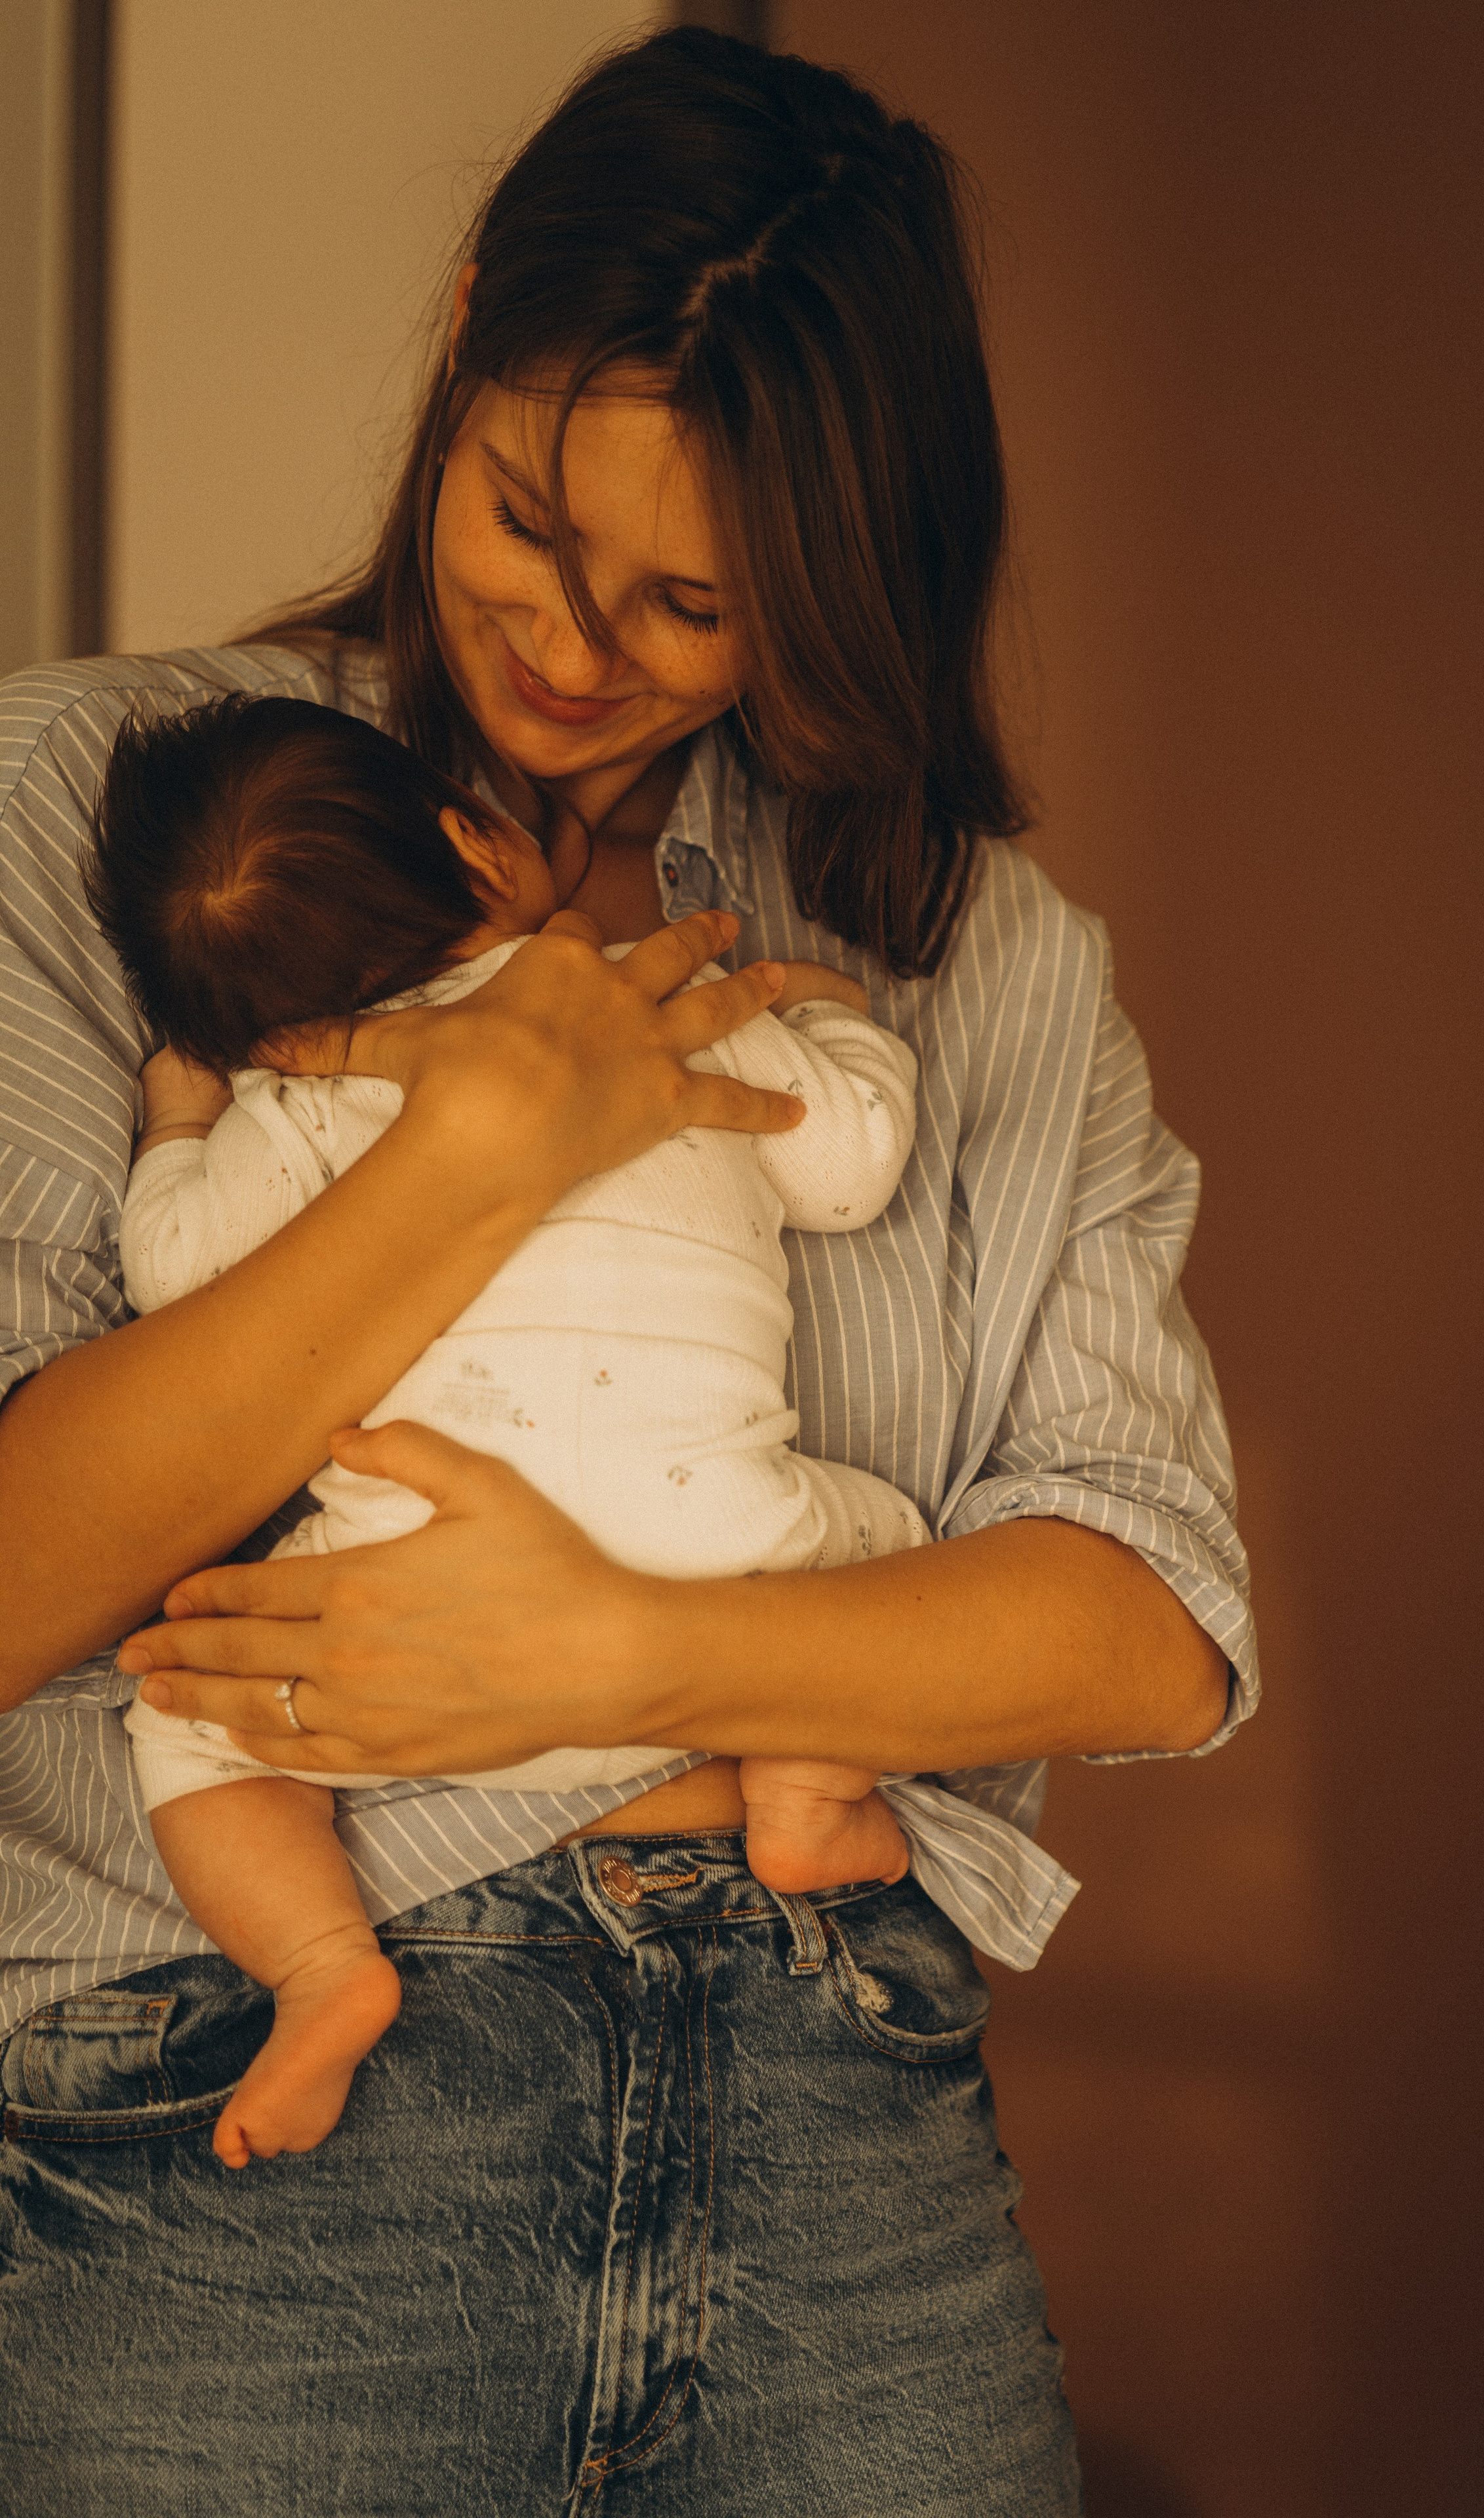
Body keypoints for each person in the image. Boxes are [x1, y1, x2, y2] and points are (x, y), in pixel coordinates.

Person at [0, 28, 1255, 2515]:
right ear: (468, 332)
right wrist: (485, 1149)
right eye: (525, 521)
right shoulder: (102, 811)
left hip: (844, 2151)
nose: (576, 647)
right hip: (248, 2154)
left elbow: (1154, 1622)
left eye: (699, 603)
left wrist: (630, 1655)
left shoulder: (969, 965)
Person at [92, 688, 926, 2168]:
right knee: (894, 1547)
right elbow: (851, 1168)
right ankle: (802, 1786)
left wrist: (178, 1123)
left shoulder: (292, 1110)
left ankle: (321, 1967)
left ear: (269, 1029)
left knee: (182, 1721)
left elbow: (173, 1276)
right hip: (721, 1585)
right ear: (478, 849)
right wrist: (833, 1031)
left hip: (396, 1632)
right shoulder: (666, 1009)